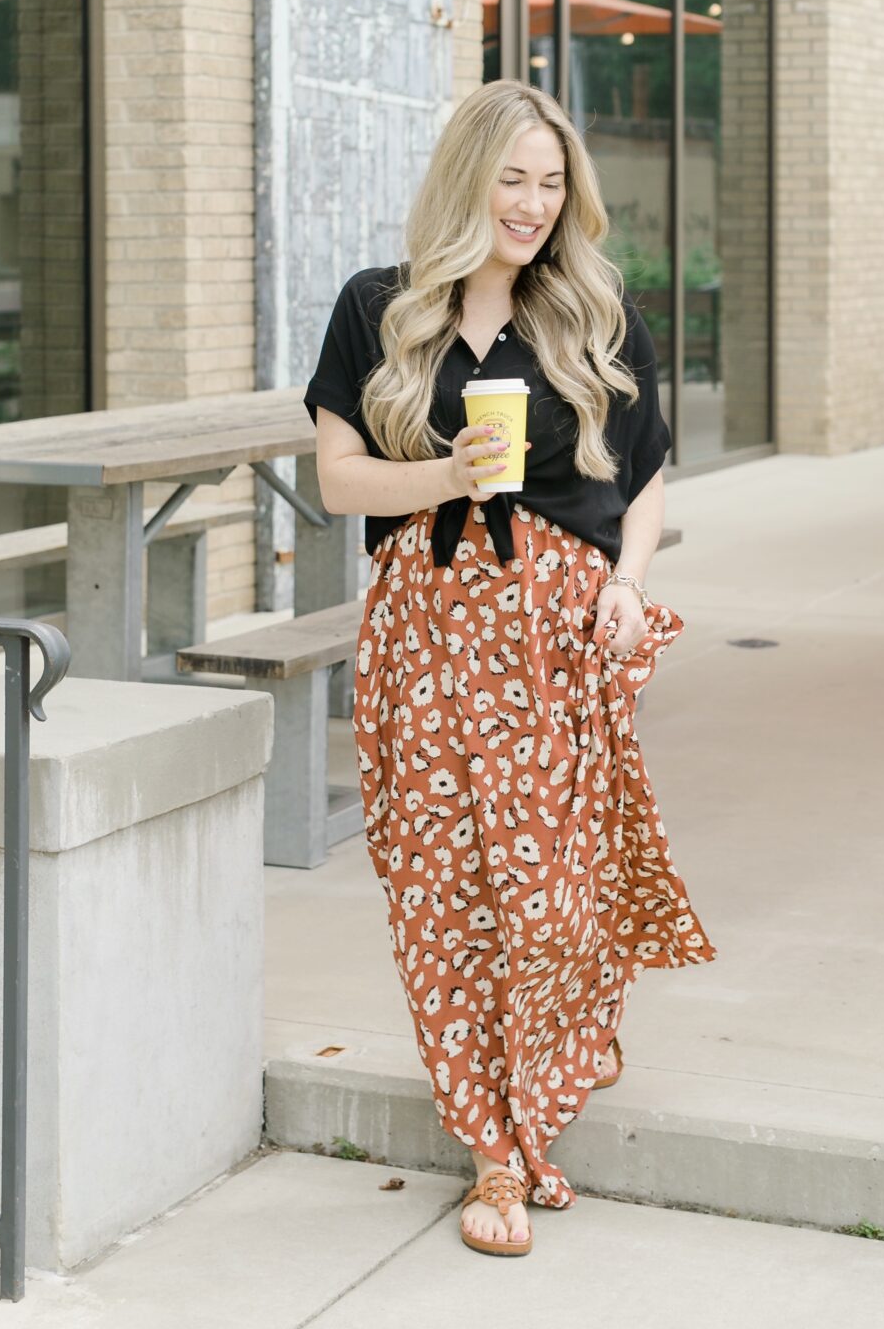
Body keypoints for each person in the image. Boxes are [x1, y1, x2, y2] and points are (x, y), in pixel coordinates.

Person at [306, 80, 714, 1258]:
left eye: (551, 182)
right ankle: (494, 1147)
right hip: (423, 638)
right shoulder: (378, 308)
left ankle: (539, 1102)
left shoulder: (590, 309)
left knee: (550, 901)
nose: (533, 204)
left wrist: (629, 584)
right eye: (513, 178)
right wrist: (445, 475)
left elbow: (642, 482)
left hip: (552, 638)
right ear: (465, 178)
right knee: (442, 906)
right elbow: (340, 481)